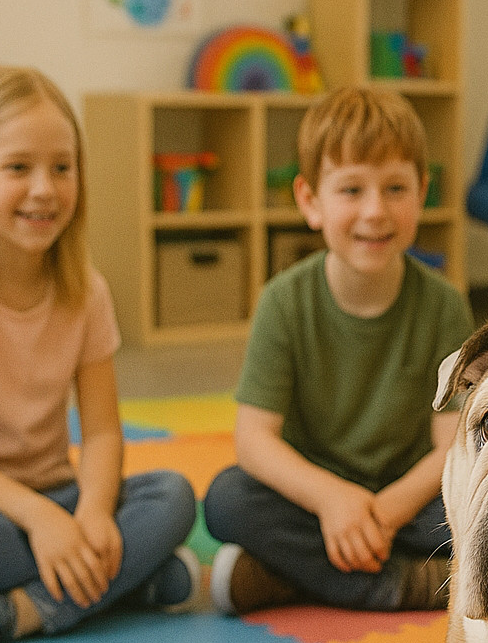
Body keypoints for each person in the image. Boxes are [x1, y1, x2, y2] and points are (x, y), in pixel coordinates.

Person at [0, 66, 199, 643]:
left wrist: (95, 512)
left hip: (60, 498)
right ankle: (124, 582)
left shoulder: (86, 292)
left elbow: (103, 431)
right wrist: (41, 522)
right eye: (18, 167)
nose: (45, 189)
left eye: (62, 167)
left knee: (175, 496)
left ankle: (13, 611)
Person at [202, 86, 473, 615]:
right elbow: (254, 441)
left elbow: (452, 446)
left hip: (411, 501)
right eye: (351, 190)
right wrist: (331, 500)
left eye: (396, 188)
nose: (375, 211)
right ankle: (403, 585)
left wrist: (385, 512)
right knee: (227, 499)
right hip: (312, 497)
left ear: (422, 192)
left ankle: (293, 575)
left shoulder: (444, 305)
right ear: (310, 202)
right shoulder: (283, 301)